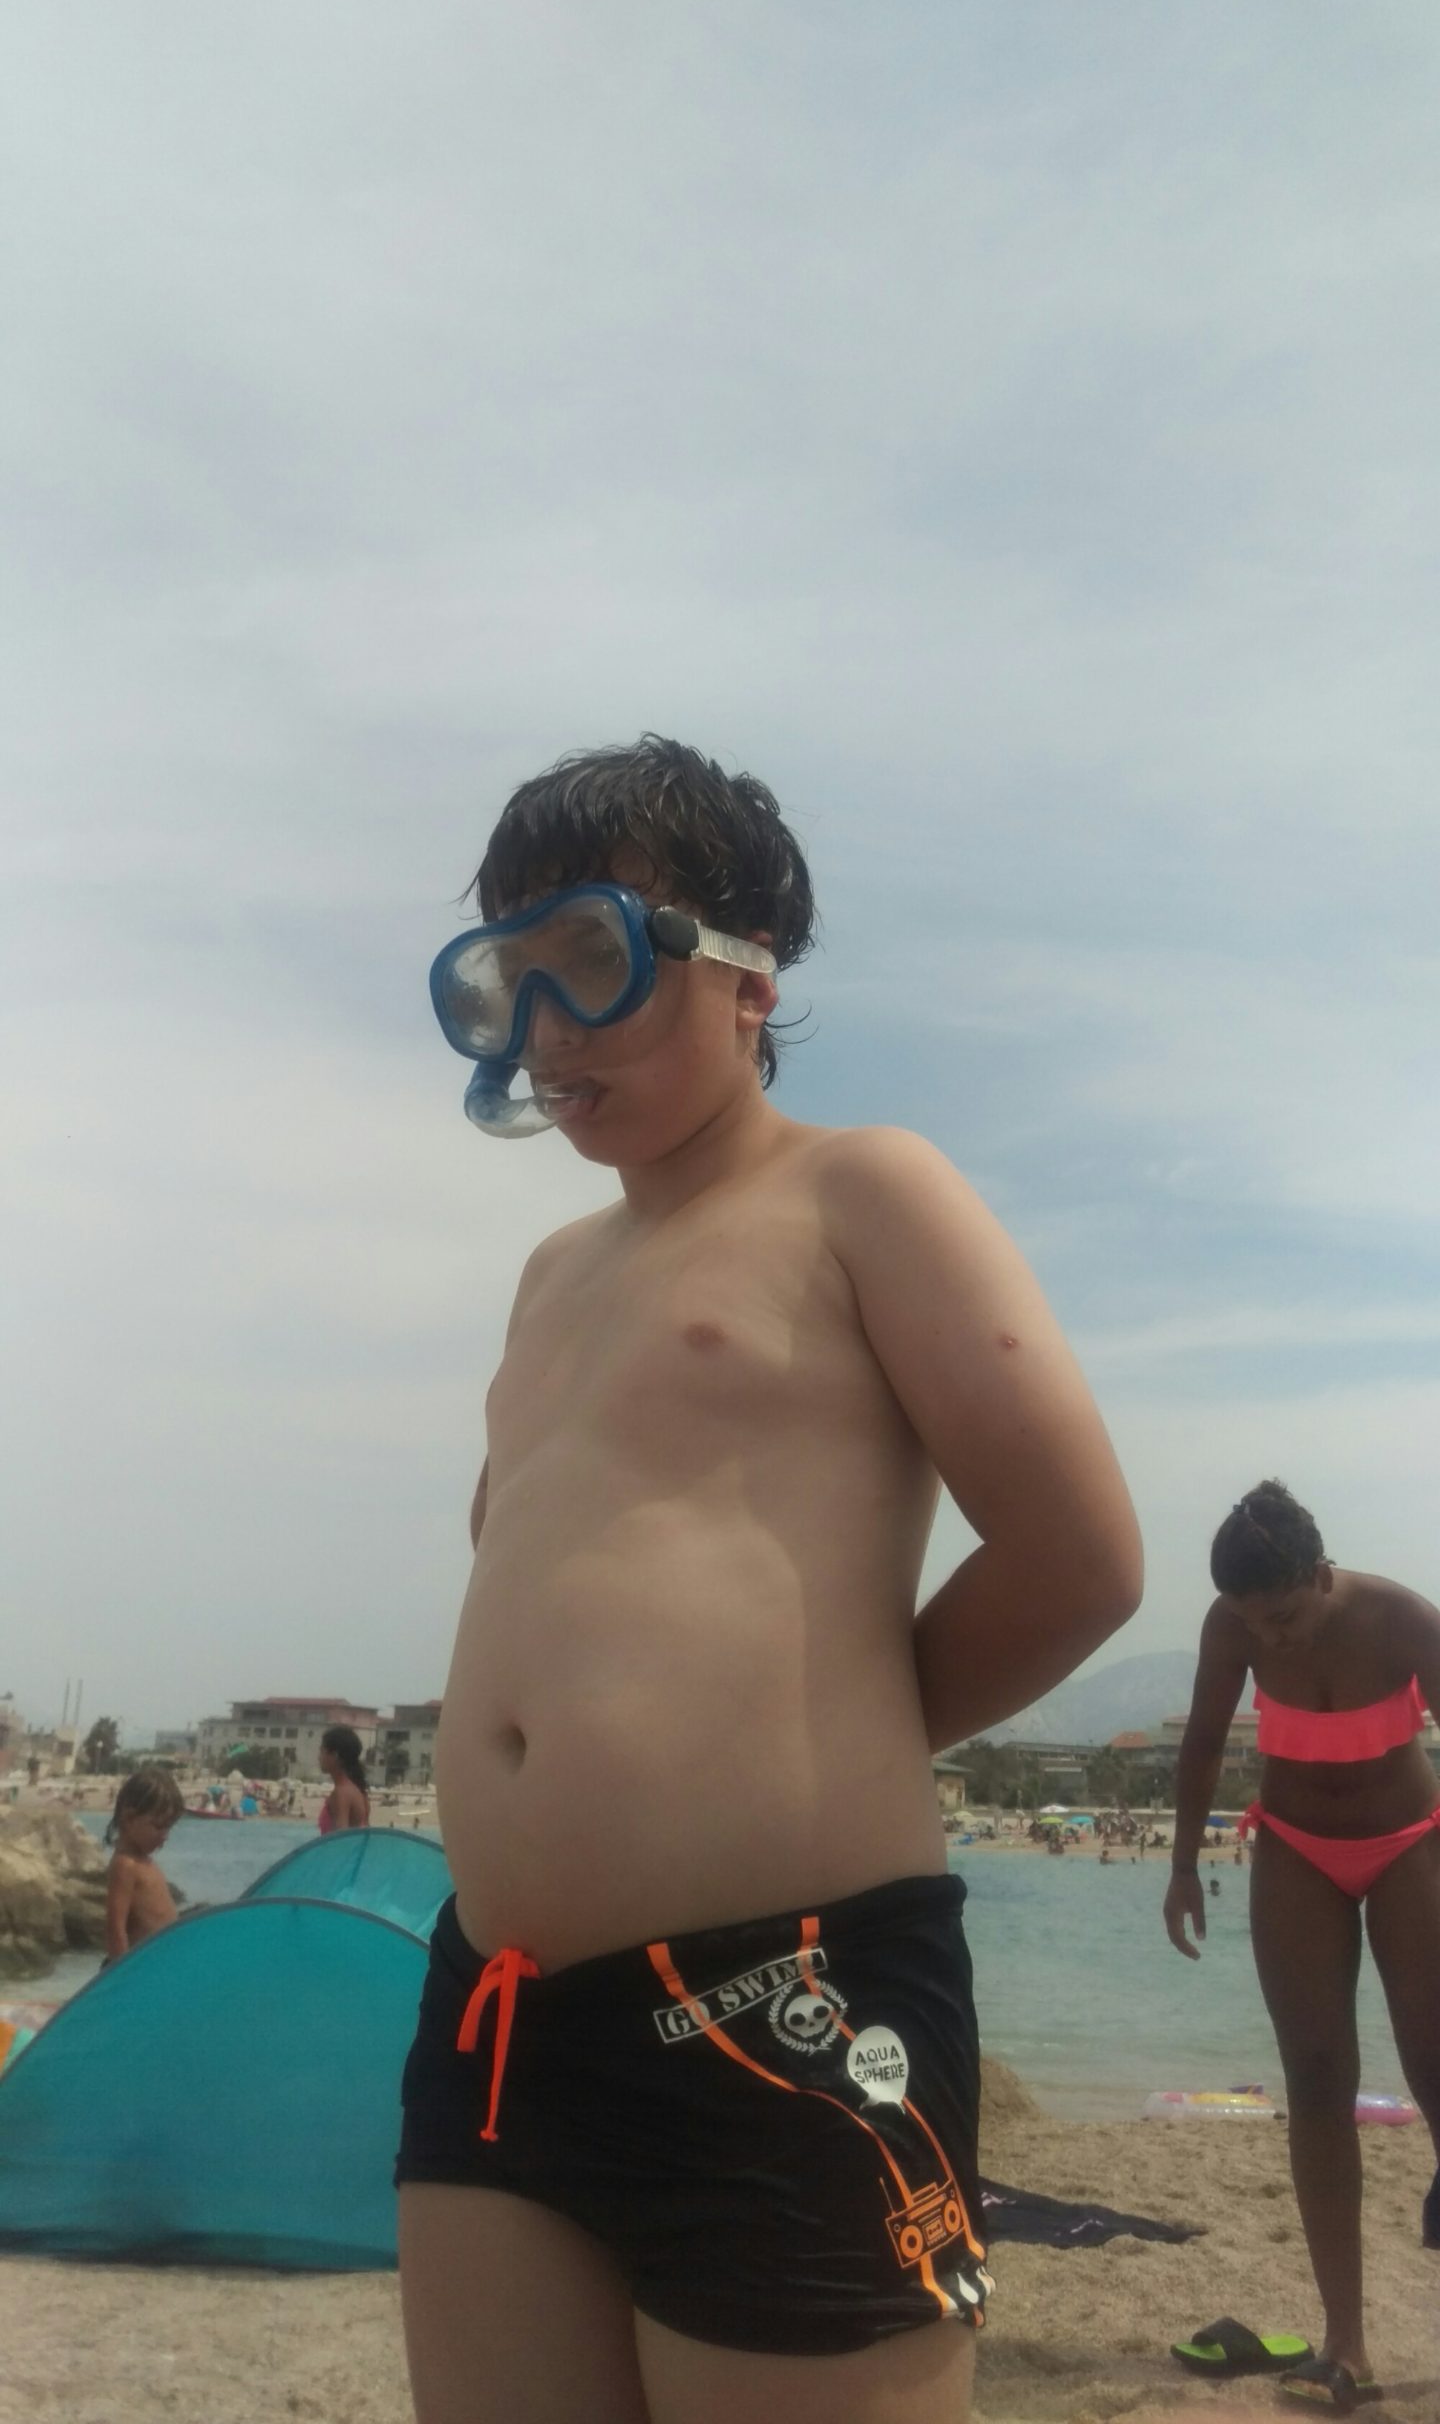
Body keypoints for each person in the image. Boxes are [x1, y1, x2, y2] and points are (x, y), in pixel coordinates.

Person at [397, 736, 1142, 2424]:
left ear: (749, 975)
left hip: (789, 1993)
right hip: (497, 2005)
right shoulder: (551, 1276)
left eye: (591, 960)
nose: (548, 1030)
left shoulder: (859, 1192)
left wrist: (828, 1735)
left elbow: (1081, 1556)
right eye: (508, 982)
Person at [1164, 1480, 1440, 2411]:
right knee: (1317, 2079)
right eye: (1252, 1622)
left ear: (1320, 1576)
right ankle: (1344, 2345)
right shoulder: (1233, 1625)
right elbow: (1204, 1743)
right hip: (1294, 1849)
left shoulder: (1406, 1621)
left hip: (1409, 1844)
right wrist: (1181, 1866)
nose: (1268, 1640)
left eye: (1280, 1618)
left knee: (1436, 2066)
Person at [104, 1768, 184, 1961]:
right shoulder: (125, 1865)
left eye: (169, 1828)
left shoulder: (143, 1861)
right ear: (129, 1818)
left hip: (159, 1963)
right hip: (137, 1967)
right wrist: (124, 1973)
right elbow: (115, 1929)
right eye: (158, 1826)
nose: (165, 1836)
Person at [318, 1726, 371, 1833]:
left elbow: (341, 1838)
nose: (319, 1757)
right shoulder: (358, 1791)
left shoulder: (341, 1793)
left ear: (335, 1755)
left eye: (322, 1751)